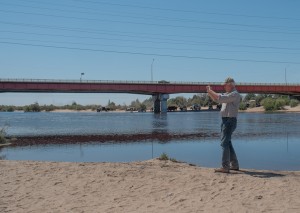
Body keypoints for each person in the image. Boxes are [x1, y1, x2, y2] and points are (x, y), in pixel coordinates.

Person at [206, 77, 241, 173]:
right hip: (225, 120)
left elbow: (219, 98)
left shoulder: (235, 94)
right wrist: (209, 92)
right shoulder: (228, 94)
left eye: (225, 85)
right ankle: (234, 165)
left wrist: (211, 91)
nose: (224, 87)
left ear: (230, 85)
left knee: (224, 143)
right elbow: (217, 99)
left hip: (229, 121)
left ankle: (225, 167)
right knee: (228, 143)